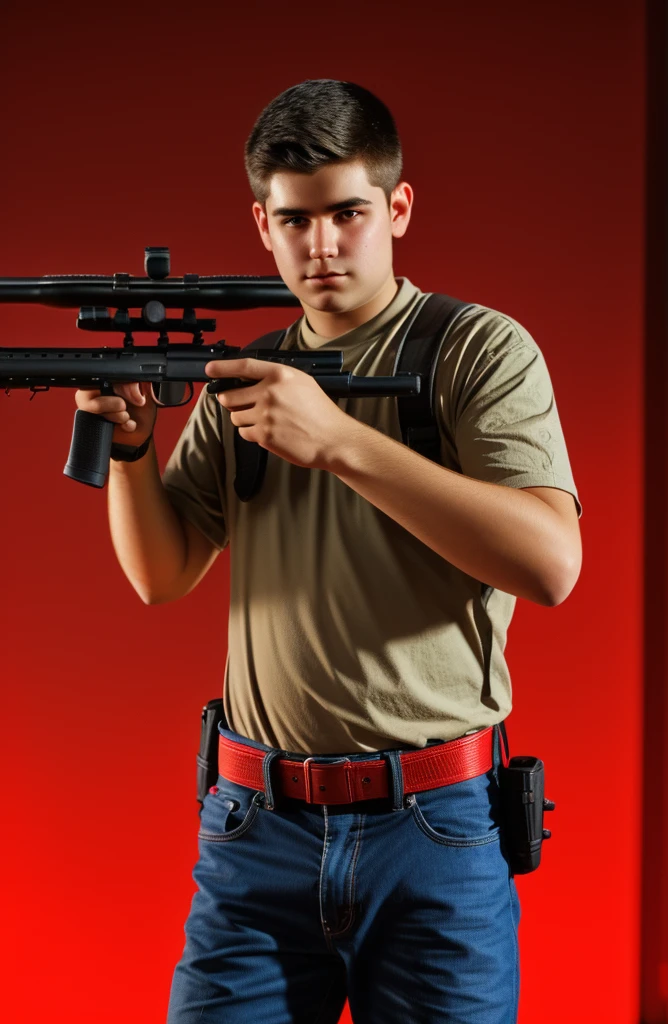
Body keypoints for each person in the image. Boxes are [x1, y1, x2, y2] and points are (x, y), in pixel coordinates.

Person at [76, 80, 582, 1024]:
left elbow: (551, 563)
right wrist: (134, 451)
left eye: (347, 213)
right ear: (261, 223)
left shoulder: (475, 351)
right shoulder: (252, 372)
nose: (321, 247)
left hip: (435, 826)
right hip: (254, 823)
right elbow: (161, 573)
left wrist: (340, 441)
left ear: (396, 207)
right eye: (294, 220)